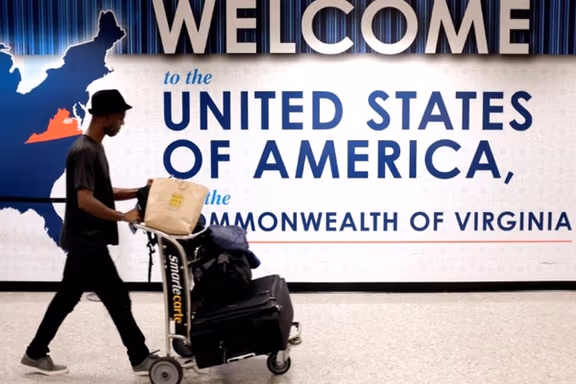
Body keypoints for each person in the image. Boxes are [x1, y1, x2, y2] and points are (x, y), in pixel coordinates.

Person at [21, 89, 159, 376]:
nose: (122, 123)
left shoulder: (95, 147)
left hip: (86, 242)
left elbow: (104, 193)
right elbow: (85, 201)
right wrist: (123, 216)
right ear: (105, 115)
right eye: (120, 117)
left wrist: (141, 191)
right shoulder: (84, 151)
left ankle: (35, 352)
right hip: (88, 243)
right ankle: (140, 357)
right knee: (118, 298)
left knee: (68, 297)